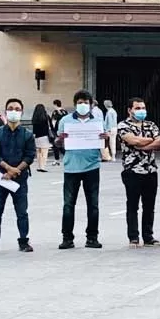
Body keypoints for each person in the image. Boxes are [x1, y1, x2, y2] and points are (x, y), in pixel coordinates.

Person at [55, 89, 106, 250]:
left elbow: (103, 141)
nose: (82, 105)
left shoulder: (97, 121)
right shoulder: (66, 120)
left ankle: (92, 237)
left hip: (92, 166)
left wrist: (104, 139)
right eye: (79, 103)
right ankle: (67, 237)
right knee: (68, 204)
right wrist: (60, 139)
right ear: (75, 104)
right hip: (71, 167)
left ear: (91, 105)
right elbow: (57, 143)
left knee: (93, 204)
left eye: (85, 102)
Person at [0, 97, 36, 252]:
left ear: (21, 112)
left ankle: (23, 241)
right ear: (6, 112)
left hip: (20, 179)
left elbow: (30, 156)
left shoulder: (27, 134)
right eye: (11, 108)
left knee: (22, 212)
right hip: (1, 178)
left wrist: (16, 170)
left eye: (17, 109)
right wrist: (8, 169)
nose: (14, 111)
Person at [115, 97, 160, 247]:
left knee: (149, 205)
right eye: (137, 108)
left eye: (143, 108)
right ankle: (133, 237)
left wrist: (143, 145)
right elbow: (133, 141)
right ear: (129, 110)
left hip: (150, 170)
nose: (141, 111)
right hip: (132, 170)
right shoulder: (123, 125)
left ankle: (148, 236)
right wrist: (149, 141)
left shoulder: (150, 124)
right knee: (133, 205)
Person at [31, 102, 52, 172]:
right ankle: (43, 167)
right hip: (45, 137)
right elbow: (50, 126)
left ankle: (39, 166)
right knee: (44, 152)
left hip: (37, 137)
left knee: (39, 153)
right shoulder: (46, 117)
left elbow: (34, 129)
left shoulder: (35, 118)